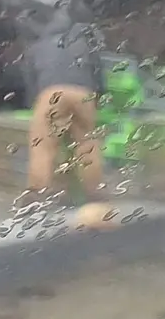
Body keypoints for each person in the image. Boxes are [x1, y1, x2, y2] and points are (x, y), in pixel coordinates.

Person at [21, 12, 105, 200]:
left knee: (43, 146)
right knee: (87, 144)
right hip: (84, 94)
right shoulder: (86, 43)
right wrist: (98, 100)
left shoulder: (37, 47)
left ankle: (38, 193)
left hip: (52, 95)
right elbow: (98, 75)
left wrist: (36, 106)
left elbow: (31, 84)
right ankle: (94, 193)